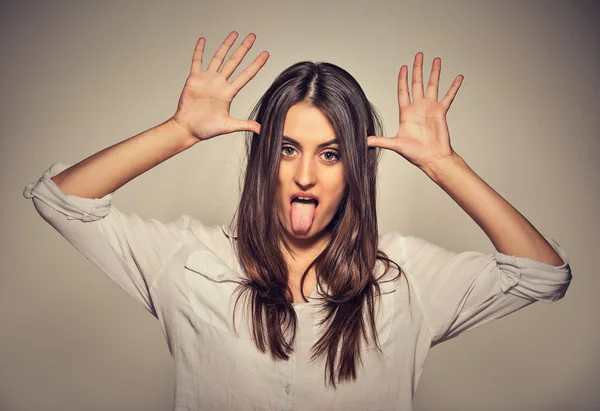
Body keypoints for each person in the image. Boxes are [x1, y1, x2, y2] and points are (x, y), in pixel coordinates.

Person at [23, 31, 572, 411]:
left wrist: (443, 165)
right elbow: (59, 201)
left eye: (330, 154)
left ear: (353, 170)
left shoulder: (406, 278)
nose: (306, 174)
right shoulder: (188, 262)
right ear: (265, 159)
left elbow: (543, 273)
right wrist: (180, 131)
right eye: (288, 149)